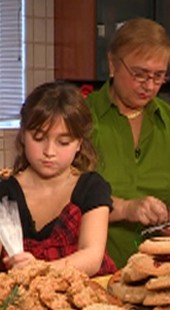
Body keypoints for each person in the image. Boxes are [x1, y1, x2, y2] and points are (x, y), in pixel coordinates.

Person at [86, 17, 170, 268]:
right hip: (94, 269)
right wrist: (124, 208)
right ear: (113, 64)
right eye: (140, 74)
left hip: (162, 271)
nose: (149, 86)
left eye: (159, 76)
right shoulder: (79, 121)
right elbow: (61, 196)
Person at [0, 81, 117, 277]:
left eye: (63, 142)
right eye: (38, 138)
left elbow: (92, 256)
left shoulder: (91, 188)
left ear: (79, 143)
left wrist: (40, 269)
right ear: (22, 136)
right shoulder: (4, 193)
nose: (49, 152)